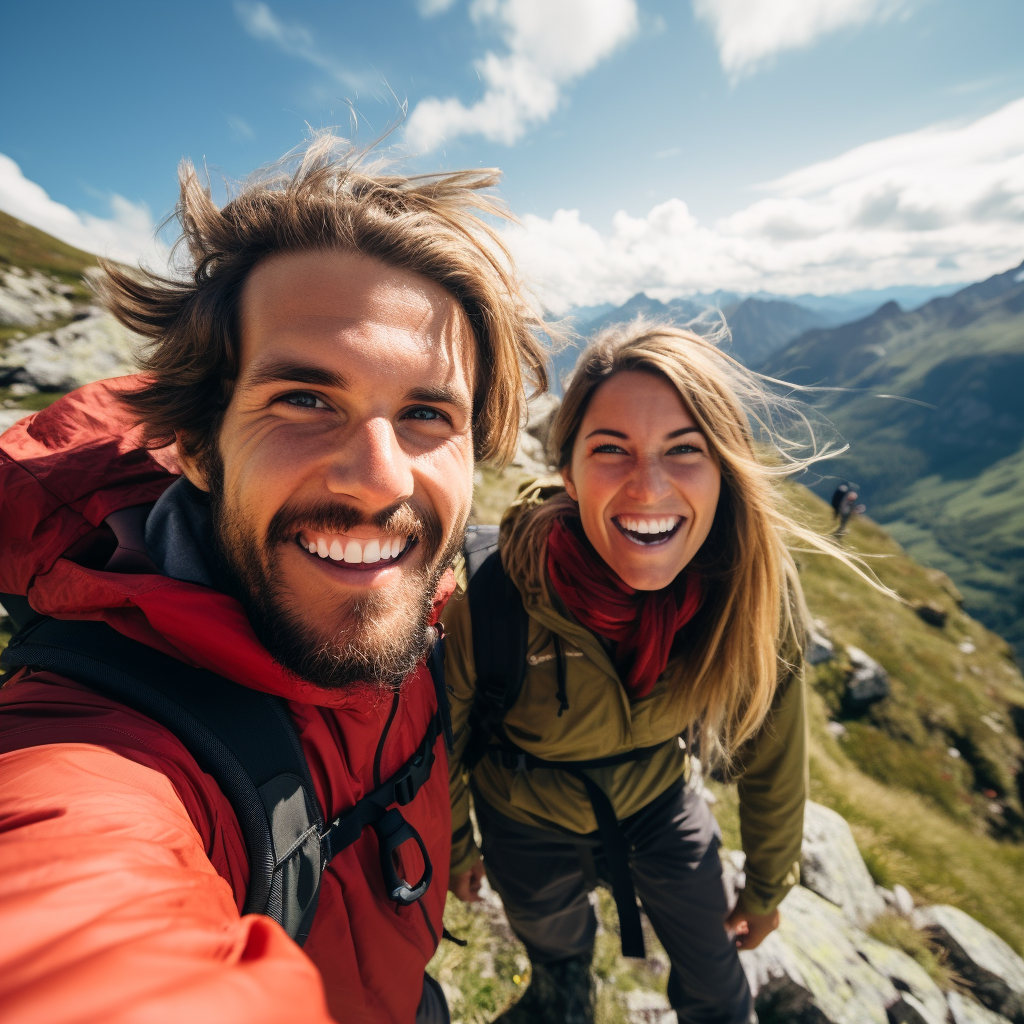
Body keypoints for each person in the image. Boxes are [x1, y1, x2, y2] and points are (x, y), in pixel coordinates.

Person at [0, 136, 547, 1024]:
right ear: (199, 446)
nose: (380, 479)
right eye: (305, 398)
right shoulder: (101, 751)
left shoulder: (428, 594)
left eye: (425, 413)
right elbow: (70, 918)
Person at [444, 322, 850, 1024]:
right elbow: (444, 741)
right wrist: (457, 845)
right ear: (566, 472)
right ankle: (562, 993)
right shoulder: (491, 591)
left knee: (720, 987)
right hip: (522, 816)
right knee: (558, 966)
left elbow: (771, 750)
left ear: (725, 467)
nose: (650, 486)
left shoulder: (749, 591)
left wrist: (766, 885)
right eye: (611, 450)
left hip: (658, 806)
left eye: (685, 450)